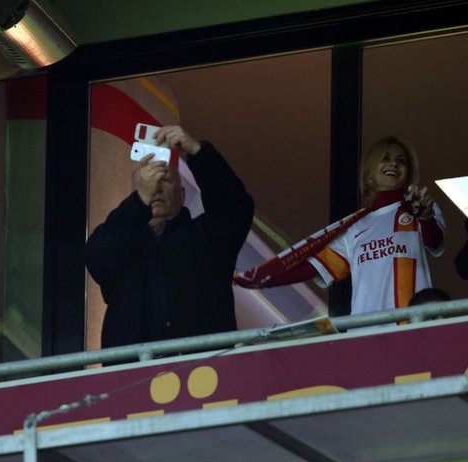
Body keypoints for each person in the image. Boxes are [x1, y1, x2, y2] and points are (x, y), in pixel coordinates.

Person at [85, 125, 254, 348]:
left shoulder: (206, 236)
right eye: (146, 183)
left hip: (206, 366)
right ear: (134, 195)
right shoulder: (121, 243)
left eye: (165, 180)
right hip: (135, 368)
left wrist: (198, 152)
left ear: (182, 194)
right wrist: (138, 204)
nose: (155, 188)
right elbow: (95, 256)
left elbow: (236, 207)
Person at [243, 136, 445, 315]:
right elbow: (311, 268)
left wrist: (425, 217)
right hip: (364, 330)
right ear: (369, 173)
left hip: (411, 325)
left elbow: (435, 244)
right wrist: (261, 279)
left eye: (401, 161)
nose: (394, 163)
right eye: (385, 158)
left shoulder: (421, 209)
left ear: (408, 173)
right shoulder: (355, 227)